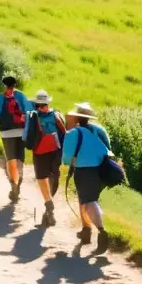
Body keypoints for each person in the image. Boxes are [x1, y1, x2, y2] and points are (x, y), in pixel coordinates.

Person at [62, 102, 112, 254]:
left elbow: (65, 159)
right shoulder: (99, 130)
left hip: (83, 171)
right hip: (101, 170)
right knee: (86, 199)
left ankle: (101, 232)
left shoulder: (73, 134)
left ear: (77, 117)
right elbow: (108, 149)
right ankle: (86, 231)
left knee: (89, 201)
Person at [24, 90, 68, 227]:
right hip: (54, 151)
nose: (43, 107)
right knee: (51, 179)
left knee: (43, 179)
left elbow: (27, 136)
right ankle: (48, 209)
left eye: (43, 105)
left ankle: (49, 206)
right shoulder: (55, 114)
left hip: (42, 152)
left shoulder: (33, 116)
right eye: (42, 105)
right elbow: (64, 133)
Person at [0, 75, 32, 203]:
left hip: (6, 132)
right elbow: (29, 111)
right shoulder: (21, 96)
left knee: (10, 159)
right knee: (20, 158)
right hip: (21, 131)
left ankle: (13, 184)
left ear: (4, 85)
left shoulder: (0, 97)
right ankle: (19, 182)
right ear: (15, 85)